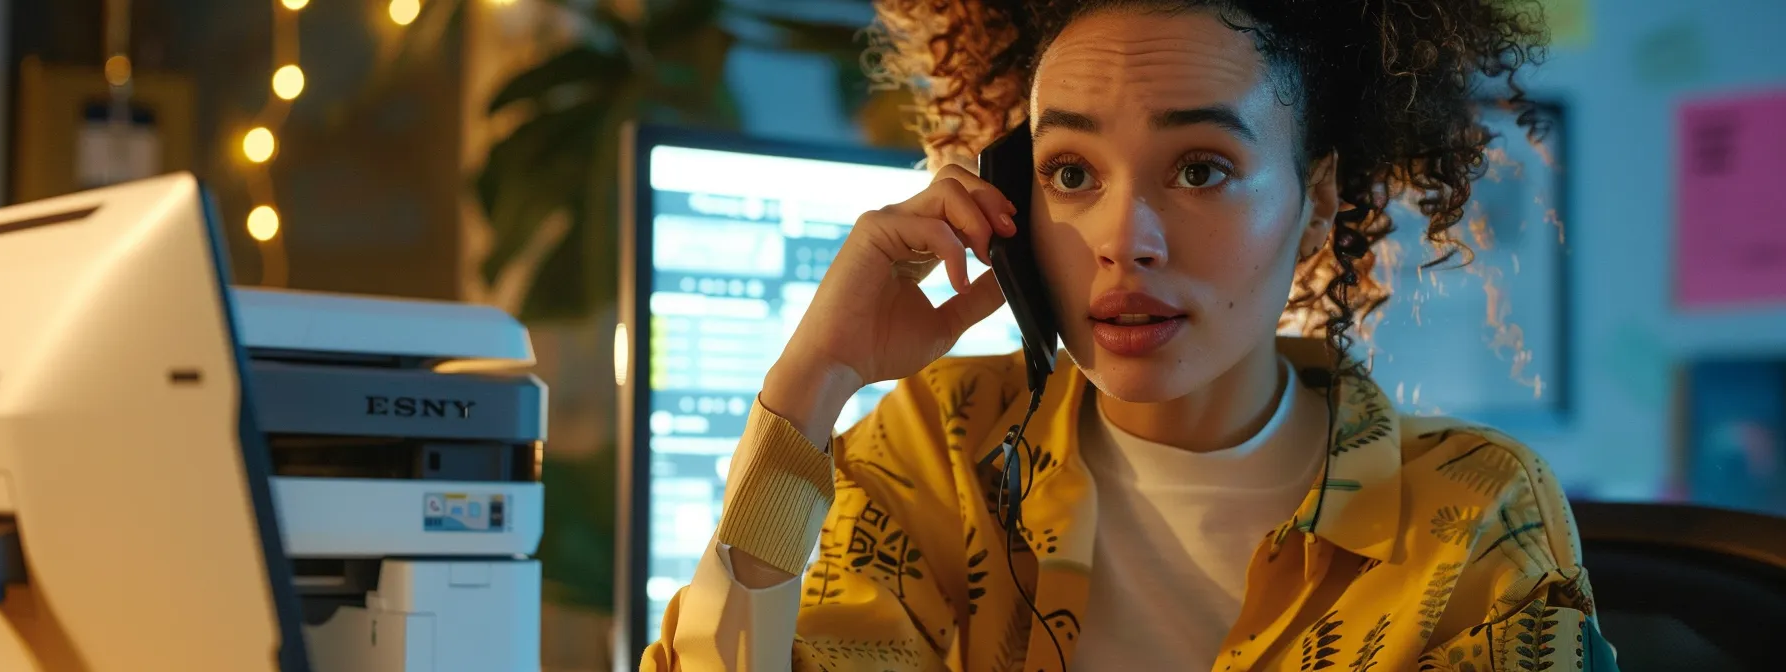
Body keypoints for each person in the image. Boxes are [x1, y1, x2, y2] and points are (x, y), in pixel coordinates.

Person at [643, 0, 1617, 670]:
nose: (1122, 240)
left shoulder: (1472, 509)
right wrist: (810, 382)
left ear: (1316, 204)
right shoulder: (938, 454)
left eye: (1199, 168)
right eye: (1071, 172)